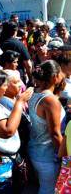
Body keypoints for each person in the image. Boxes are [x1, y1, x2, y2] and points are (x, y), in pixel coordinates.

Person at [28, 60, 65, 194]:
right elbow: (55, 134)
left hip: (35, 150)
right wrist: (65, 156)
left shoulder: (36, 91)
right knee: (47, 190)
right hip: (48, 157)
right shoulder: (50, 101)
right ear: (55, 77)